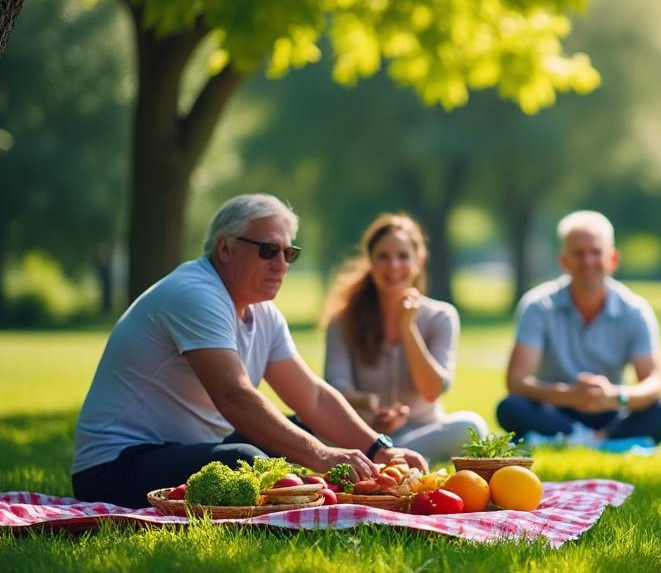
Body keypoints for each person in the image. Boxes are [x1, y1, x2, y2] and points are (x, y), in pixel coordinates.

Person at [72, 194, 426, 508]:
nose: (281, 264)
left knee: (307, 428)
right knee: (244, 459)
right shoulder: (196, 294)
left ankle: (321, 490)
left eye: (289, 253)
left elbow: (313, 397)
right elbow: (234, 396)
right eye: (268, 250)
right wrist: (321, 456)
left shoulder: (262, 312)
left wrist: (379, 448)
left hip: (182, 448)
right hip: (114, 468)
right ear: (225, 249)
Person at [496, 210, 661, 445]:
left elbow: (655, 381)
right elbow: (516, 380)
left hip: (612, 409)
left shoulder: (634, 310)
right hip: (556, 408)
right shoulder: (538, 306)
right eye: (578, 254)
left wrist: (614, 396)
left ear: (613, 259)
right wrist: (570, 395)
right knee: (510, 408)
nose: (588, 261)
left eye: (596, 252)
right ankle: (597, 439)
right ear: (564, 261)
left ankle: (582, 438)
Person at [321, 213, 488, 464]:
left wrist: (408, 327)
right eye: (383, 256)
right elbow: (335, 386)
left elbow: (432, 390)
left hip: (423, 430)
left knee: (471, 426)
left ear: (418, 261)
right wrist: (370, 406)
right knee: (311, 427)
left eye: (403, 256)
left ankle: (387, 457)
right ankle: (386, 455)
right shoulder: (343, 321)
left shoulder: (441, 316)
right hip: (363, 432)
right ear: (371, 261)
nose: (393, 266)